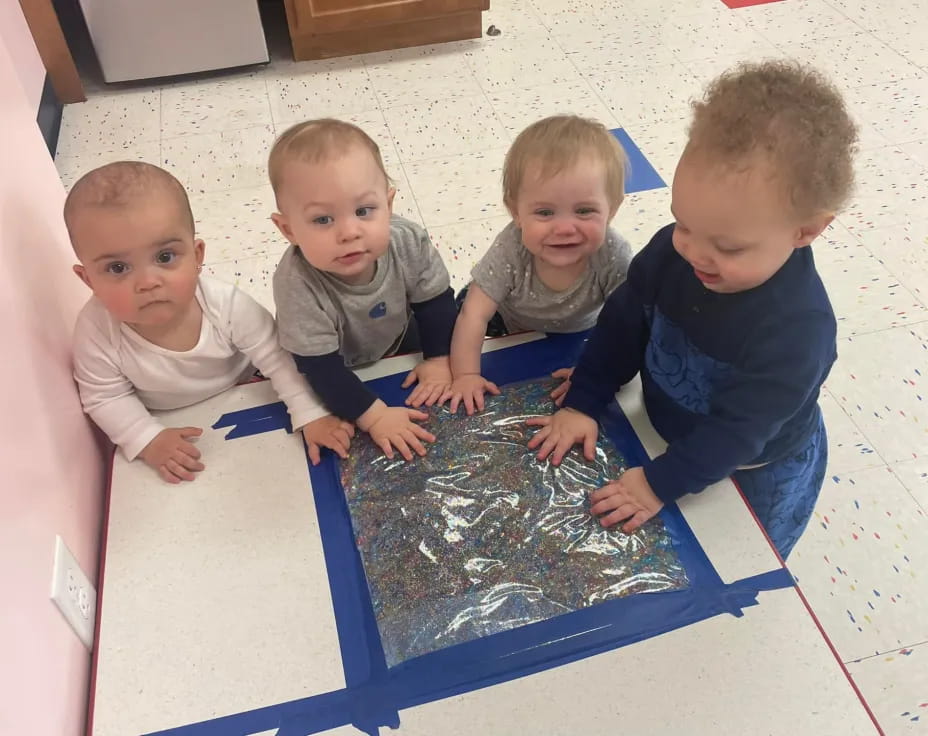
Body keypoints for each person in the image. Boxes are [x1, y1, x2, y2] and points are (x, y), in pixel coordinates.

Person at [527, 61, 858, 559]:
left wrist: (657, 485)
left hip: (752, 467)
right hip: (665, 429)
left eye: (727, 246)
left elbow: (737, 434)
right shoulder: (672, 251)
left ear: (805, 231)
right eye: (683, 223)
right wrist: (585, 398)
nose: (694, 253)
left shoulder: (798, 330)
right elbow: (622, 324)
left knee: (743, 559)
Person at [68, 162, 348, 483]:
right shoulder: (95, 333)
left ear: (197, 255)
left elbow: (276, 355)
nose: (147, 282)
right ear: (87, 279)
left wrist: (309, 412)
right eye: (117, 268)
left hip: (250, 385)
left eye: (164, 257)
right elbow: (105, 397)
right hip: (170, 416)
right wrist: (146, 438)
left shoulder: (225, 304)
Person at [269, 119, 458, 462]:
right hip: (332, 364)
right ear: (288, 229)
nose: (349, 232)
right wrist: (375, 417)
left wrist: (438, 359)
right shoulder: (296, 282)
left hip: (397, 337)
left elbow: (436, 303)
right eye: (323, 220)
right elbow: (320, 369)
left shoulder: (407, 240)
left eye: (364, 211)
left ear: (389, 204)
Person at [445, 115, 633, 415]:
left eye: (584, 211)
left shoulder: (613, 254)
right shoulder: (512, 245)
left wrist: (595, 377)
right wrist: (466, 375)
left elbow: (629, 328)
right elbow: (475, 314)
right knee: (458, 317)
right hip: (507, 320)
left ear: (613, 209)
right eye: (545, 212)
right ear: (515, 212)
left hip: (580, 331)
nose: (564, 228)